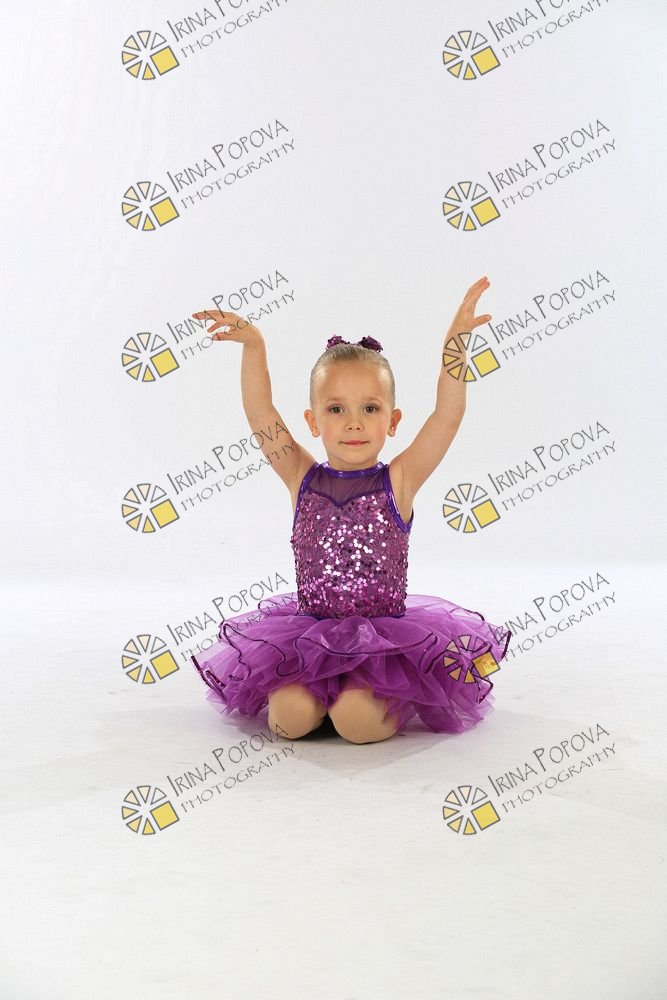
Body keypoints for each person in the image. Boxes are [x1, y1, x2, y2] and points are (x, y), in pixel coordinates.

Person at [190, 276, 512, 744]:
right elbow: (261, 415)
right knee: (287, 721)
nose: (354, 423)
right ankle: (323, 698)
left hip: (383, 645)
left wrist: (455, 345)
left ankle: (378, 701)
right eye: (336, 409)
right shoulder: (300, 475)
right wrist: (254, 346)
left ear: (393, 421)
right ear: (312, 421)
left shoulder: (399, 480)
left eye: (370, 409)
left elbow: (447, 417)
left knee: (357, 725)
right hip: (308, 637)